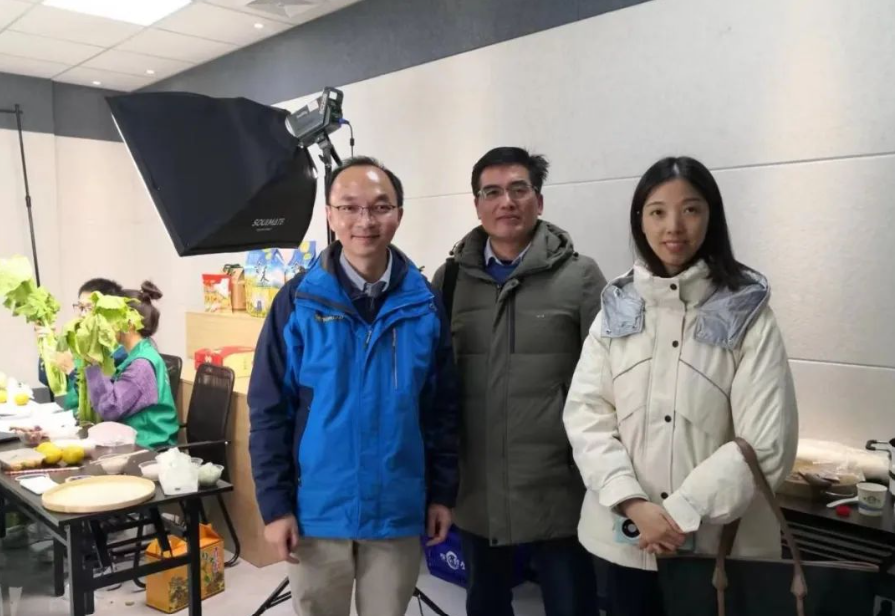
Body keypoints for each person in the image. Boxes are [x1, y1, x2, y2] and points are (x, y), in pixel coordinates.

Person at [562, 156, 799, 616]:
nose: (674, 226)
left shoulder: (746, 311)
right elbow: (587, 414)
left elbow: (767, 442)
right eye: (657, 212)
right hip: (627, 541)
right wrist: (633, 503)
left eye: (690, 209)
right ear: (640, 220)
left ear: (712, 217)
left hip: (719, 552)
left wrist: (680, 514)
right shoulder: (618, 306)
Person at [248, 156, 459, 616]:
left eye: (380, 206)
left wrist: (443, 493)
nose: (365, 221)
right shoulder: (298, 302)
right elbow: (269, 410)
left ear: (398, 215)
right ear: (330, 215)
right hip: (317, 513)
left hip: (397, 510)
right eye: (349, 207)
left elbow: (442, 409)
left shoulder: (424, 304)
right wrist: (275, 506)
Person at [431, 147, 606, 616]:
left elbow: (606, 383)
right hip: (477, 486)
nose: (505, 202)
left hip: (557, 486)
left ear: (539, 201)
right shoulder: (450, 280)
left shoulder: (580, 277)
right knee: (485, 603)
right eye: (491, 192)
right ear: (477, 205)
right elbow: (437, 382)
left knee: (572, 604)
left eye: (518, 189)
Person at [85, 281, 178, 449]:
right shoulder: (139, 353)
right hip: (135, 441)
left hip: (149, 448)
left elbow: (110, 409)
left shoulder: (141, 365)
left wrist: (95, 364)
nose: (104, 326)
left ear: (129, 324)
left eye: (109, 319)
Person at [37, 277, 127, 408]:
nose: (83, 314)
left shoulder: (118, 353)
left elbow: (103, 404)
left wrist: (71, 370)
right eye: (80, 307)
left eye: (89, 308)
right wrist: (47, 344)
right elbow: (46, 379)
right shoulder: (79, 343)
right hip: (70, 415)